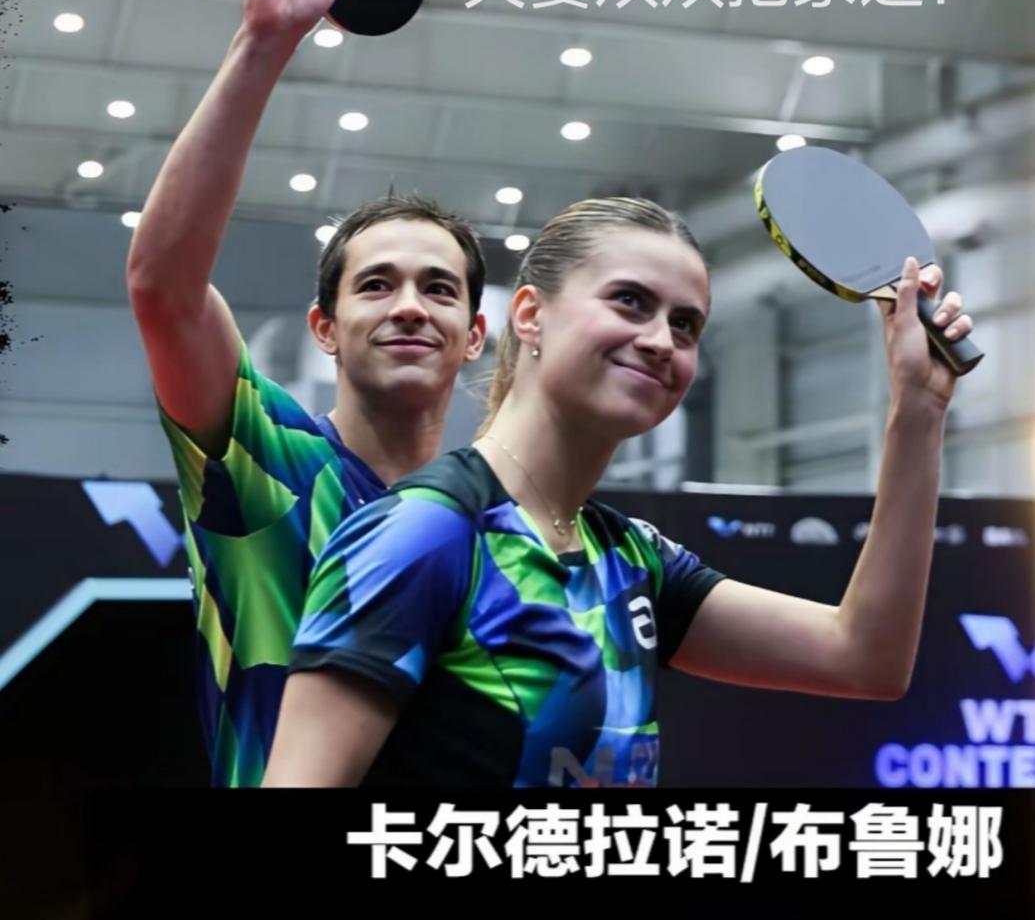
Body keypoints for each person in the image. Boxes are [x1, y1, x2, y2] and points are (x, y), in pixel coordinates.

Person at [263, 195, 973, 788]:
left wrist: (917, 410)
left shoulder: (630, 558)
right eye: (629, 302)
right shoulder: (424, 533)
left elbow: (865, 659)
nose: (661, 340)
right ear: (530, 314)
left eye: (684, 324)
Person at [125, 0, 487, 787]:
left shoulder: (501, 525)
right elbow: (164, 288)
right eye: (377, 285)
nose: (410, 305)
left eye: (439, 289)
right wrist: (262, 44)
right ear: (324, 328)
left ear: (475, 334)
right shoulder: (266, 466)